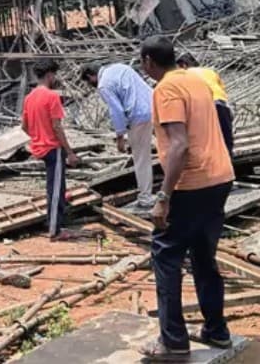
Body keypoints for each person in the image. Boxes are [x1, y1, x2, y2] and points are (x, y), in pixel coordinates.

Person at [139, 36, 235, 360]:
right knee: (204, 257)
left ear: (149, 61)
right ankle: (216, 330)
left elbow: (179, 145)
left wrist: (164, 196)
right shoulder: (197, 80)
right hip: (219, 177)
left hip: (192, 182)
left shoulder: (165, 89)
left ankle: (173, 341)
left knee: (166, 255)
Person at [80, 62, 154, 208]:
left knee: (141, 158)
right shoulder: (120, 67)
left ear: (90, 76)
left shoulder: (104, 85)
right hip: (155, 106)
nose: (91, 85)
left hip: (138, 116)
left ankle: (146, 197)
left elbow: (116, 111)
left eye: (89, 82)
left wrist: (120, 137)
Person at [22, 60, 80, 240]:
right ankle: (55, 230)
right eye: (54, 75)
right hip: (53, 148)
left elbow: (24, 126)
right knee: (55, 189)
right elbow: (57, 126)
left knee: (55, 186)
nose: (55, 78)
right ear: (49, 75)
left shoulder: (29, 97)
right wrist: (69, 151)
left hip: (40, 147)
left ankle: (56, 220)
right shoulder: (52, 96)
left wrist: (38, 135)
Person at [176, 54, 234, 156]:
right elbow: (222, 91)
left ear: (184, 65)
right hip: (221, 104)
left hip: (203, 106)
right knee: (226, 140)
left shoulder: (184, 75)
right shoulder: (210, 72)